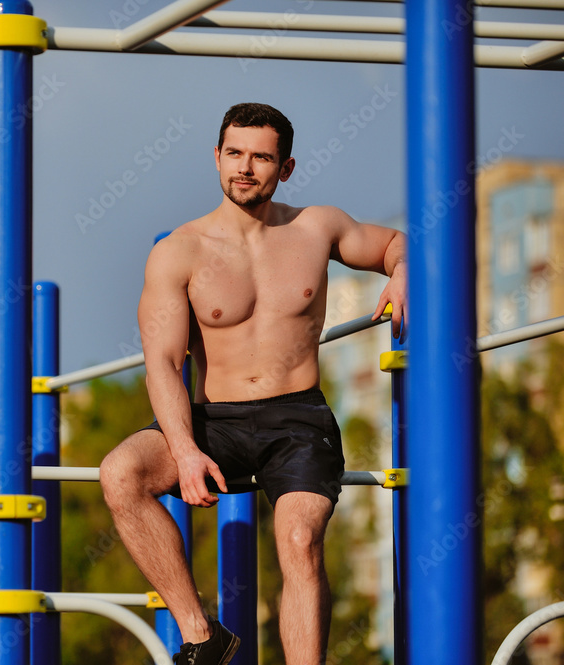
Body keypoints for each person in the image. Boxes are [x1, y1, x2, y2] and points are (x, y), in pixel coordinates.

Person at [98, 102, 407, 665]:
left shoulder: (318, 226)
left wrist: (403, 269)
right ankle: (201, 636)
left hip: (298, 419)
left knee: (299, 543)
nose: (245, 167)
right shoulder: (178, 252)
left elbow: (393, 244)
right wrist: (186, 451)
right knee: (121, 473)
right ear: (217, 158)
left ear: (284, 168)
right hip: (215, 420)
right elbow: (164, 363)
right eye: (234, 153)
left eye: (261, 157)